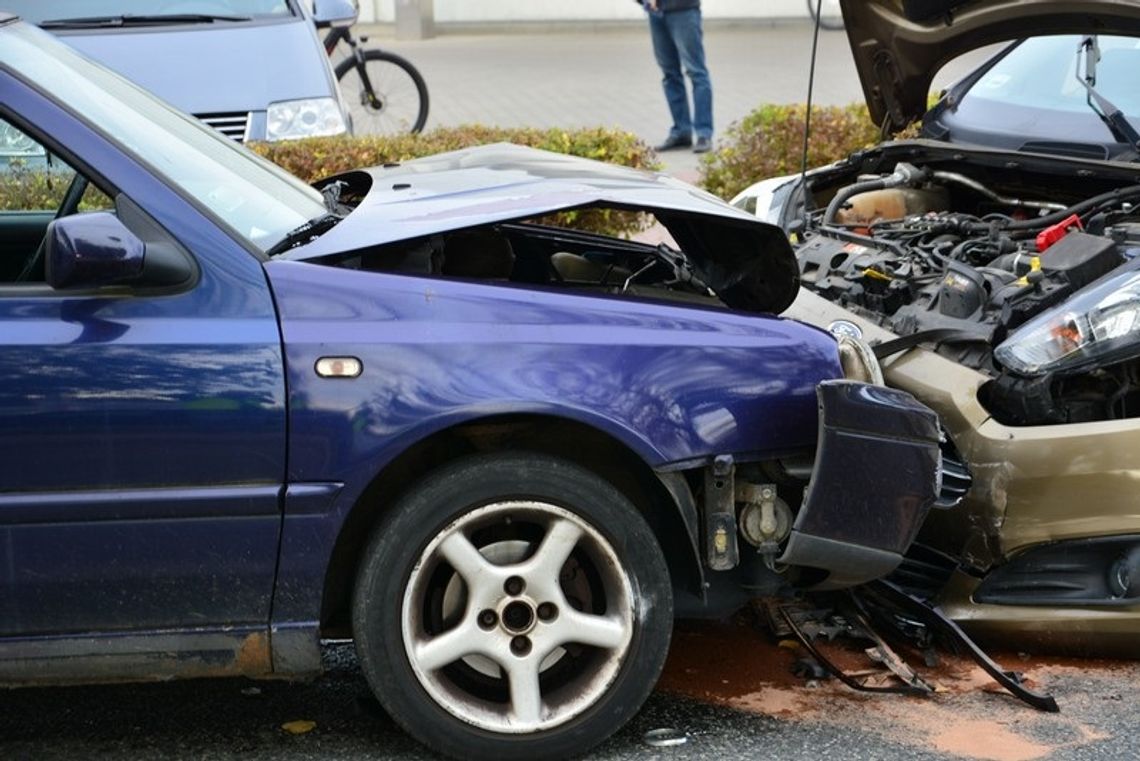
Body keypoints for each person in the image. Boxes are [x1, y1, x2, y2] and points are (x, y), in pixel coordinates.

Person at [638, 0, 713, 153]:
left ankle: (704, 133)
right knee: (670, 75)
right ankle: (681, 132)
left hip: (683, 11)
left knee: (696, 73)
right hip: (656, 13)